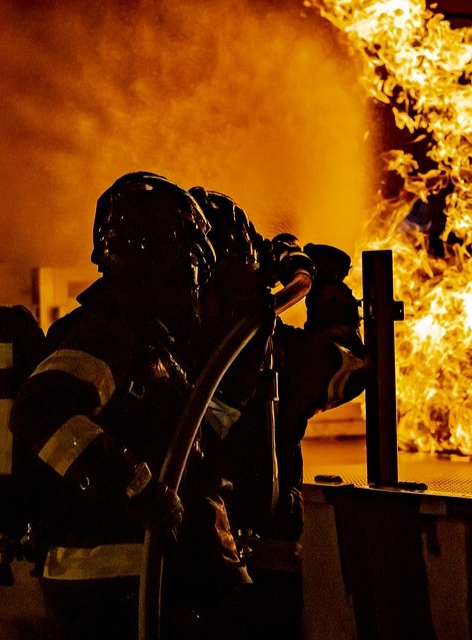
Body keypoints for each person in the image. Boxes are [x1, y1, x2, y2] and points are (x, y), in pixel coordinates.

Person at [9, 171, 261, 638]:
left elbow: (195, 438)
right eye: (191, 262)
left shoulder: (148, 341)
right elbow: (41, 410)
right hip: (111, 581)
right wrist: (140, 488)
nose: (196, 283)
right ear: (167, 257)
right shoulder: (110, 330)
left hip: (135, 577)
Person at [189, 188, 370, 638]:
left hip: (183, 562)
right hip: (261, 561)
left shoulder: (159, 342)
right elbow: (344, 364)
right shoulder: (260, 348)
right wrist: (327, 288)